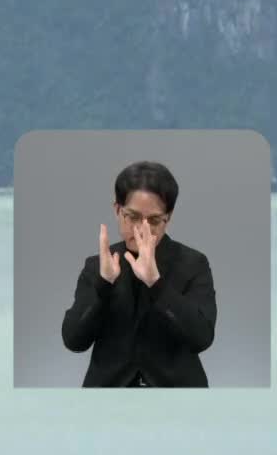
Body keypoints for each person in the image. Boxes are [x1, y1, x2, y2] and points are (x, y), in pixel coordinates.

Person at [60, 160, 216, 386]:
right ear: (117, 210)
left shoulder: (194, 263)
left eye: (153, 220)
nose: (141, 229)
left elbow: (201, 338)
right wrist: (103, 285)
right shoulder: (97, 265)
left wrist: (156, 284)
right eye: (132, 217)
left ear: (168, 217)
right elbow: (73, 340)